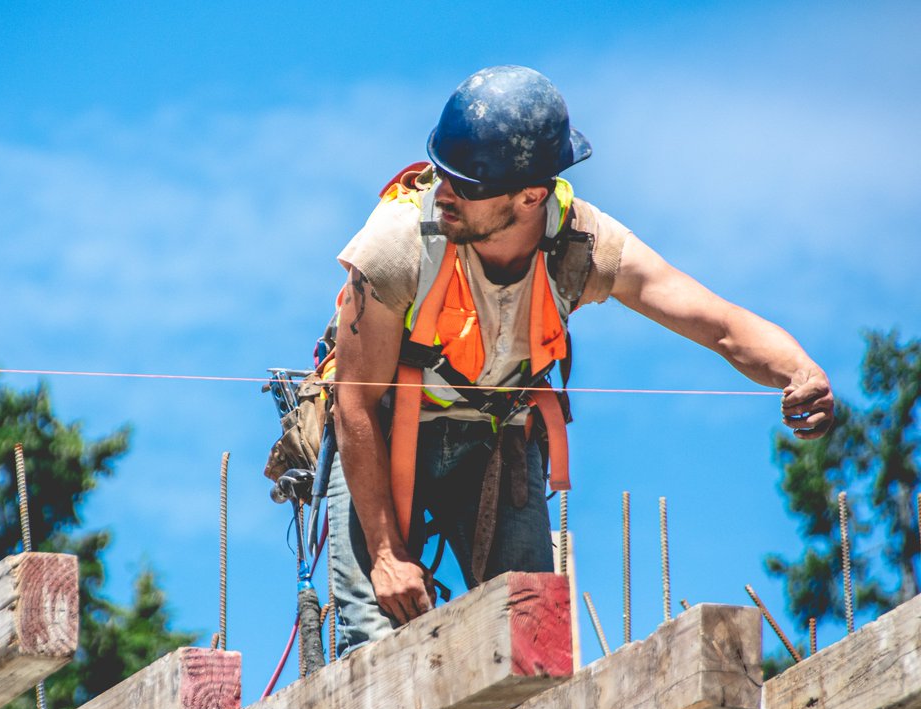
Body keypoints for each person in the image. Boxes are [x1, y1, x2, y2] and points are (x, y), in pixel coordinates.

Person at [326, 65, 834, 656]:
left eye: (465, 186)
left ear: (530, 196)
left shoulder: (581, 245)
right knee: (373, 648)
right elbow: (354, 403)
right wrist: (387, 555)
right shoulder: (398, 243)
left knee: (534, 648)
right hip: (385, 439)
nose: (444, 194)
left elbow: (717, 324)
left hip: (496, 444)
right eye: (442, 174)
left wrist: (799, 371)